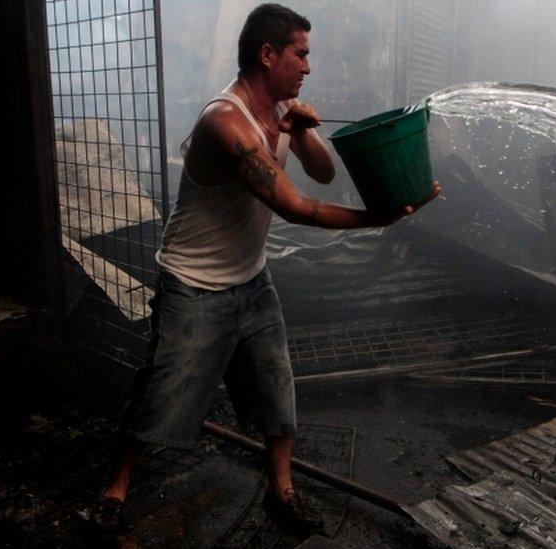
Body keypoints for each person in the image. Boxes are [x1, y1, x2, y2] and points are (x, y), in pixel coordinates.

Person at [91, 3, 440, 535]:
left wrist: (299, 134)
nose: (308, 67)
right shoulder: (226, 124)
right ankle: (115, 489)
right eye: (300, 54)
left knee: (277, 388)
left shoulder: (283, 108)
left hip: (251, 279)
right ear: (268, 53)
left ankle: (282, 490)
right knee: (162, 394)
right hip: (194, 284)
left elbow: (322, 174)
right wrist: (380, 218)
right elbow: (300, 207)